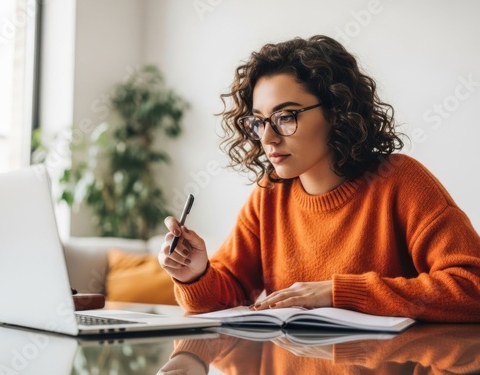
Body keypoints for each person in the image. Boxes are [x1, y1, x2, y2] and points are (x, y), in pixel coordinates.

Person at [158, 35, 480, 322]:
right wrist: (195, 274)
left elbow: (472, 287)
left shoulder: (401, 182)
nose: (267, 138)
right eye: (258, 122)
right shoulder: (268, 196)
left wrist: (339, 293)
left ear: (337, 112)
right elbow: (224, 302)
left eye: (285, 117)